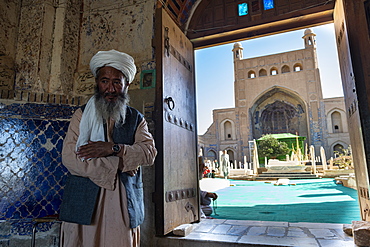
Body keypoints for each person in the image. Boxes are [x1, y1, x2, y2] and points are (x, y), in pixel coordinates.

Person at [60, 49, 157, 246]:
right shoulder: (81, 115)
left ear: (126, 84)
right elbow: (70, 159)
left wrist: (113, 148)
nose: (110, 89)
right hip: (84, 201)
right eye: (105, 81)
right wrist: (121, 164)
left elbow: (149, 153)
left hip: (122, 203)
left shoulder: (136, 118)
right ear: (97, 82)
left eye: (116, 82)